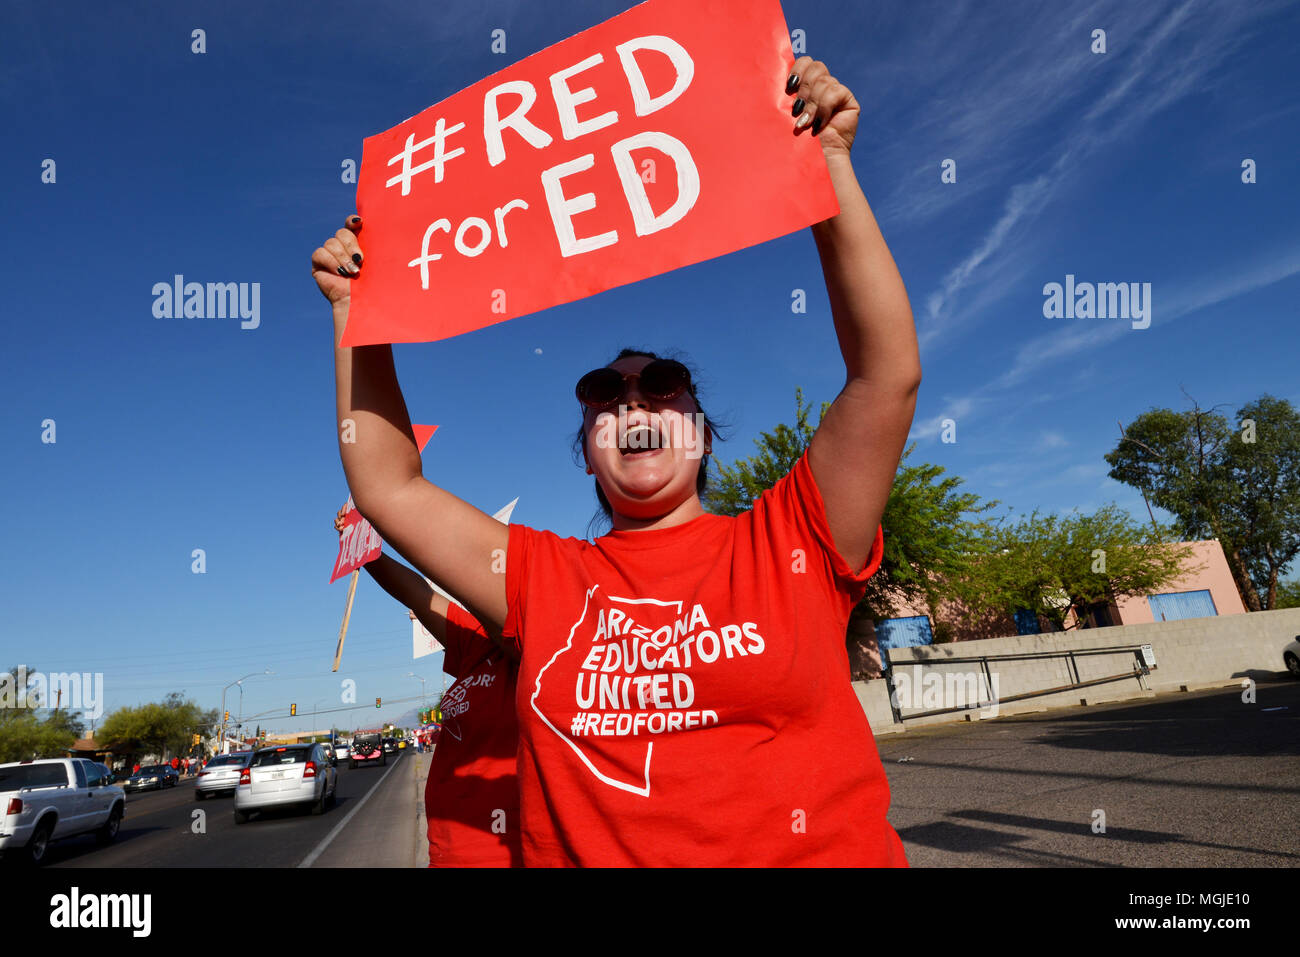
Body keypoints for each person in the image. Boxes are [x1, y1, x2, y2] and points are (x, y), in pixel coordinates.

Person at [314, 57, 919, 866]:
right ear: (589, 449)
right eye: (605, 391)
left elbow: (886, 373)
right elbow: (388, 485)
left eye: (661, 385)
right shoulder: (536, 577)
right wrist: (361, 311)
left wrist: (829, 165)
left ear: (699, 433)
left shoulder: (794, 539)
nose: (632, 400)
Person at [334, 507, 521, 867]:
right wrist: (363, 549)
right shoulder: (475, 641)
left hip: (507, 853)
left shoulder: (540, 652)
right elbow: (418, 594)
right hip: (449, 849)